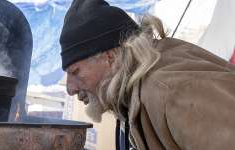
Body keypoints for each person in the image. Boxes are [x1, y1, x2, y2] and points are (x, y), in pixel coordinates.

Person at [59, 0, 235, 149]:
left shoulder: (171, 91)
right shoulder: (135, 97)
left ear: (110, 58)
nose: (70, 89)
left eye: (76, 71)